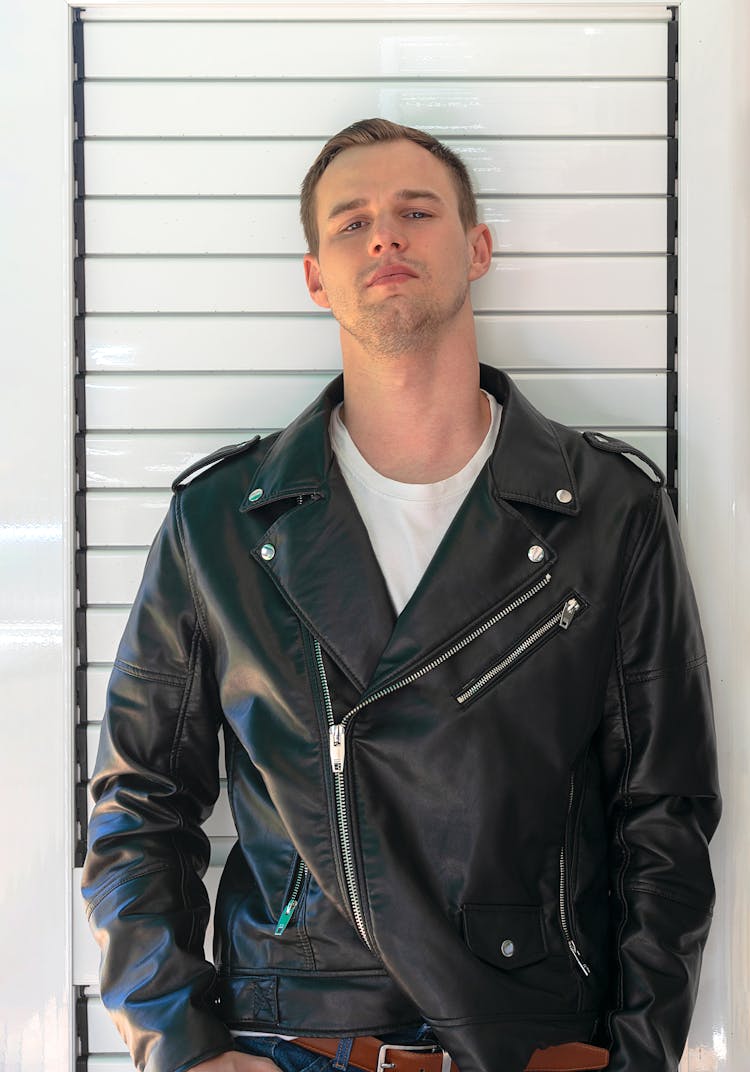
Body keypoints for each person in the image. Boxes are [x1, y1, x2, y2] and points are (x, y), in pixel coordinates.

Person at [82, 119, 721, 1072]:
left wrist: (639, 1056)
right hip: (295, 1033)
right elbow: (138, 802)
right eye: (352, 223)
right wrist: (179, 1046)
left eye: (416, 211)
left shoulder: (606, 511)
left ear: (477, 247)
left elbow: (663, 811)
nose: (385, 236)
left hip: (527, 1037)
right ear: (315, 277)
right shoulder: (221, 522)